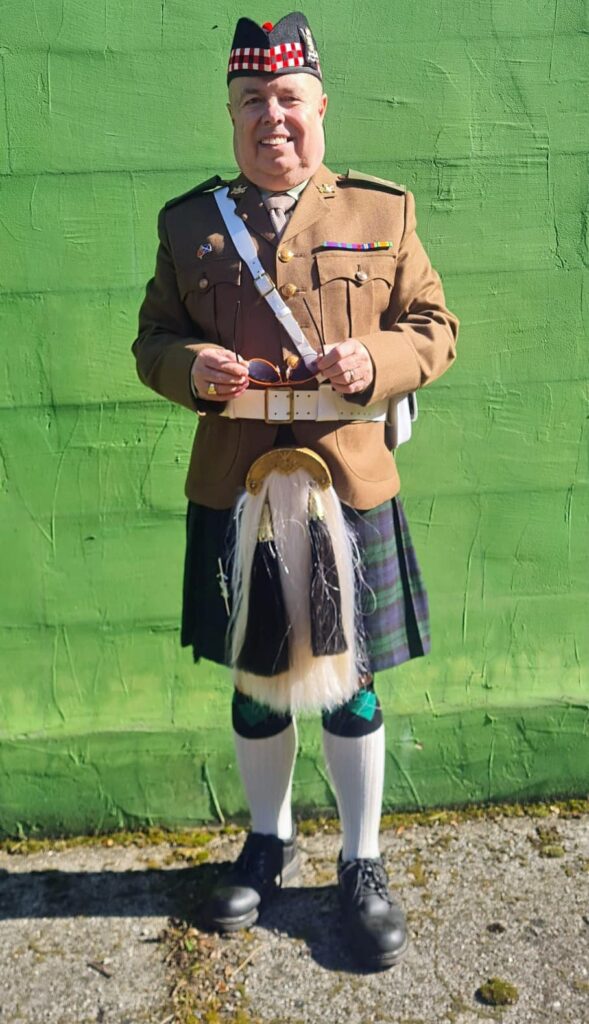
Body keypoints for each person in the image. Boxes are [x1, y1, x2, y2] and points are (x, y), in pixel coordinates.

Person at [132, 11, 459, 970]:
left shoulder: (380, 212)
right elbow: (152, 341)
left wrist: (376, 361)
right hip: (236, 489)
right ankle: (267, 843)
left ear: (319, 106)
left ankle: (361, 861)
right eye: (251, 101)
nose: (270, 116)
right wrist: (188, 368)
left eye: (287, 98)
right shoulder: (190, 224)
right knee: (254, 681)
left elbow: (436, 328)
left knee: (352, 684)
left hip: (344, 487)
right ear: (231, 114)